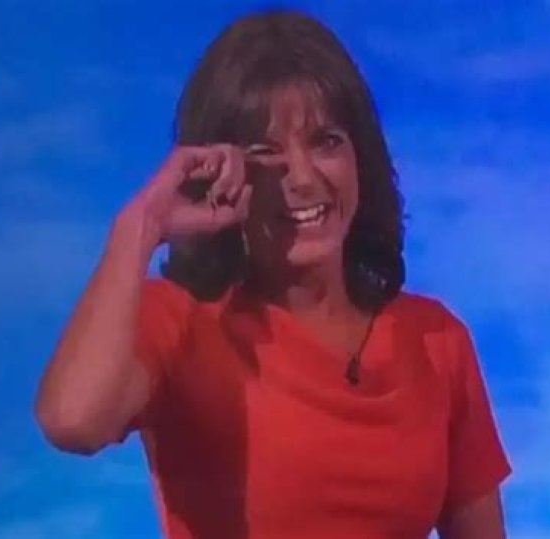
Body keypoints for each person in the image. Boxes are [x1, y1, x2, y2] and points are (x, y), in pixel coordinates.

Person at [34, 9, 512, 539]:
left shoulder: (437, 339)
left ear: (361, 157)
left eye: (326, 141)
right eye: (265, 153)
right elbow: (73, 421)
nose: (301, 178)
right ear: (216, 170)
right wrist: (140, 225)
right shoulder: (181, 322)